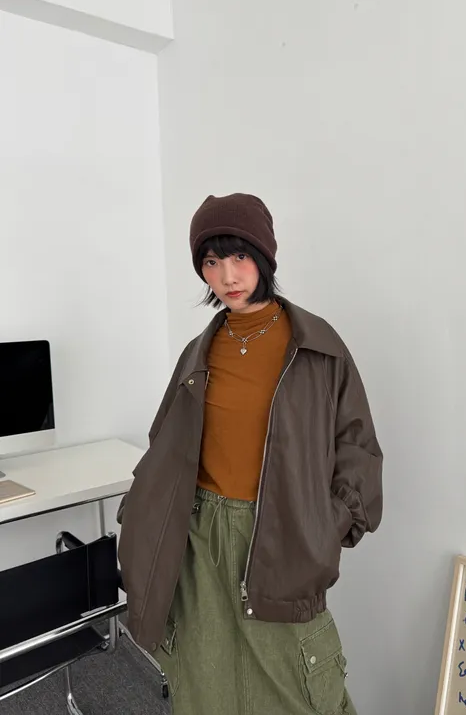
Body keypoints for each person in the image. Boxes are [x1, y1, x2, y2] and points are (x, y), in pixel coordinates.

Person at [117, 193, 383, 715]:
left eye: (239, 256)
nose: (227, 276)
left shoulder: (317, 346)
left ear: (264, 256)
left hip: (283, 528)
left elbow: (356, 444)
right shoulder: (198, 352)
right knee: (204, 676)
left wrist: (328, 521)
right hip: (199, 534)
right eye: (211, 262)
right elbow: (164, 440)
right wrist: (145, 511)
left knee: (299, 681)